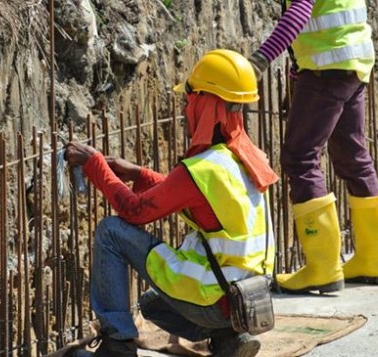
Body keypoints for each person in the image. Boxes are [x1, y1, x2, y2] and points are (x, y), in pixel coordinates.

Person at [65, 49, 278, 357]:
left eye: (188, 100)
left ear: (205, 102)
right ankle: (229, 340)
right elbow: (195, 197)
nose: (184, 109)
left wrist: (96, 164)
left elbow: (134, 211)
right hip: (246, 299)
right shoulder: (245, 158)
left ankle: (116, 347)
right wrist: (139, 173)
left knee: (111, 231)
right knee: (152, 305)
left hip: (216, 297)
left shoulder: (204, 168)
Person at [247, 0, 378, 294]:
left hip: (326, 68)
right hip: (352, 63)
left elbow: (300, 11)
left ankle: (323, 268)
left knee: (300, 158)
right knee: (353, 157)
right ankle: (374, 260)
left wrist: (260, 60)